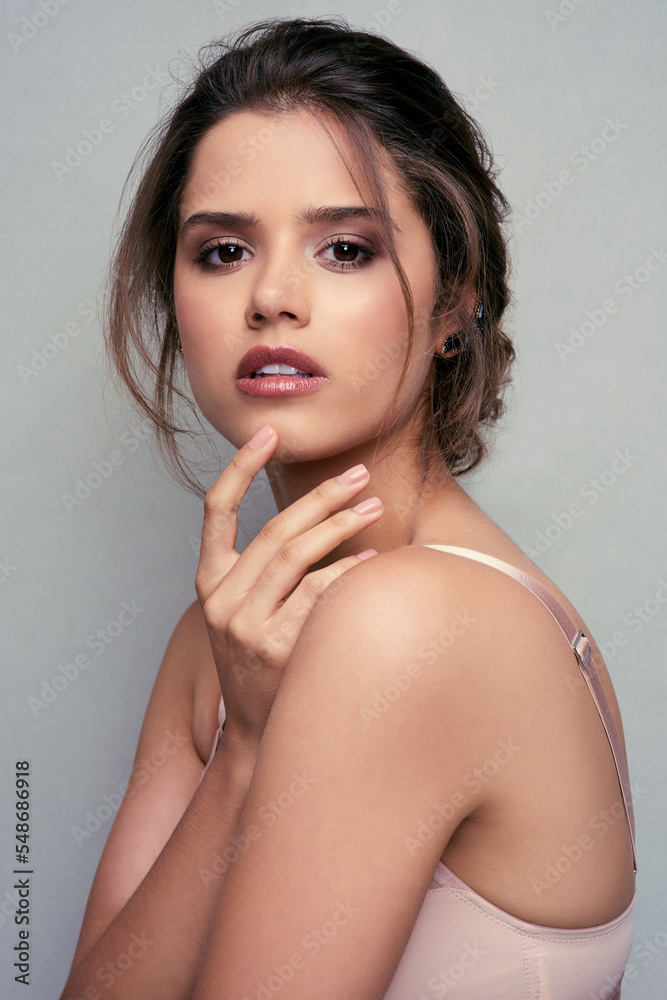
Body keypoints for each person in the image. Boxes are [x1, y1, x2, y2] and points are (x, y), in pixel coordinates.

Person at [58, 16, 636, 1000]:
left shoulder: (412, 623)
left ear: (455, 301)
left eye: (343, 249)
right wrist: (242, 754)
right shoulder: (220, 642)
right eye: (223, 250)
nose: (272, 296)